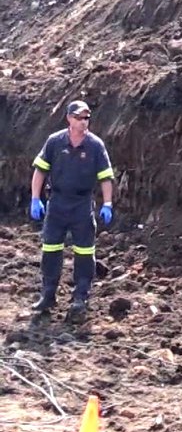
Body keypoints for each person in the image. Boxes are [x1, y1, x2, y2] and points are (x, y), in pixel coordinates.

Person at [29, 100, 115, 322]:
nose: (83, 121)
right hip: (57, 202)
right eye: (79, 117)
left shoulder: (96, 146)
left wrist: (107, 203)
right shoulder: (55, 142)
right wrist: (35, 198)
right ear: (69, 118)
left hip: (82, 204)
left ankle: (80, 297)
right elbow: (40, 170)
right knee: (50, 248)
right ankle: (48, 294)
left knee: (85, 251)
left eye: (86, 118)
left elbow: (105, 177)